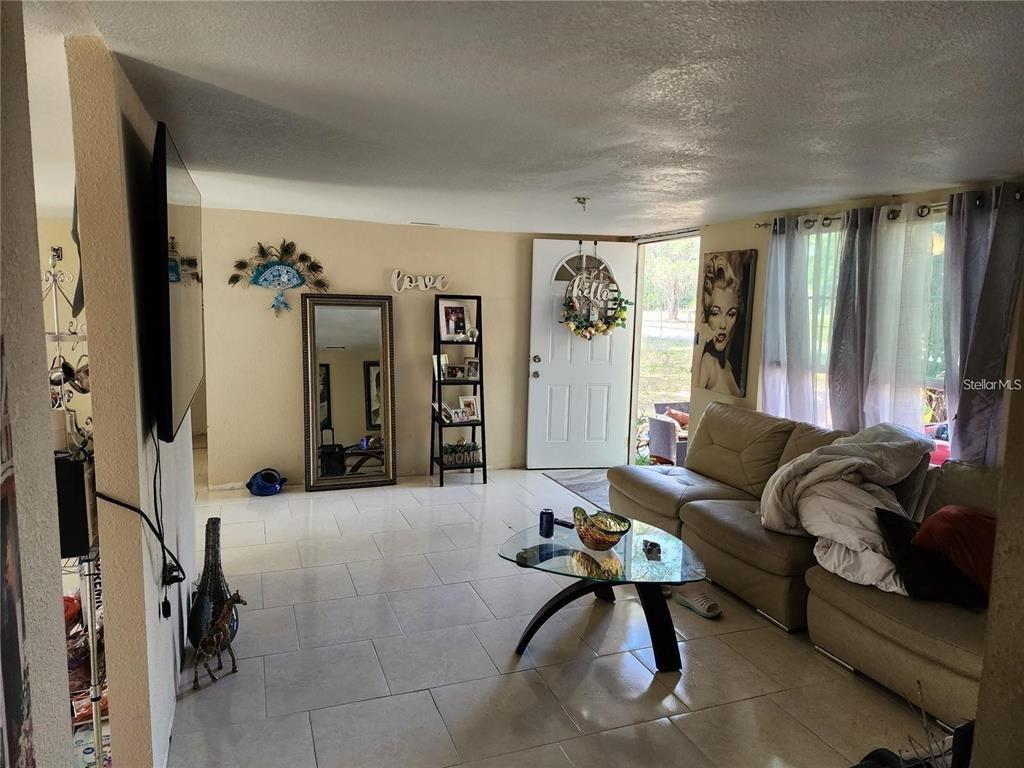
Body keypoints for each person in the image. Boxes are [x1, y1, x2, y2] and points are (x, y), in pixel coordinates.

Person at [696, 252, 743, 396]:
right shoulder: (707, 362)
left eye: (730, 314)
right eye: (716, 313)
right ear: (707, 315)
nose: (723, 325)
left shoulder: (726, 366)